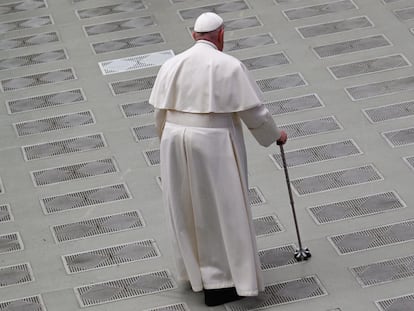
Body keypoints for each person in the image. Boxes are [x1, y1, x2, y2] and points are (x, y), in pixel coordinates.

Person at [149, 12, 287, 307]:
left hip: (174, 138)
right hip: (212, 142)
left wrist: (167, 143)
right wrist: (275, 135)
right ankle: (222, 281)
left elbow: (159, 113)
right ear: (221, 35)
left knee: (184, 206)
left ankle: (194, 273)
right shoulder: (229, 65)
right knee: (222, 208)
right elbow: (254, 113)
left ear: (193, 34)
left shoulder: (171, 64)